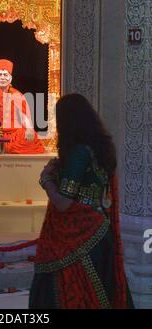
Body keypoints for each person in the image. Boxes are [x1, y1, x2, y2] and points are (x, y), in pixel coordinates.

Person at [29, 93, 134, 309]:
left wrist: (46, 180)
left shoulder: (79, 153)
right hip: (100, 232)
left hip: (79, 236)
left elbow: (64, 203)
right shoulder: (101, 148)